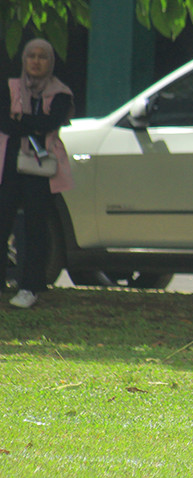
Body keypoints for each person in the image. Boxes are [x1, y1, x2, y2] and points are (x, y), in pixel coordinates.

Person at [0, 38, 74, 308]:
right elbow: (6, 123)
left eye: (43, 56)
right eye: (31, 55)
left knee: (35, 227)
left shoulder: (61, 93)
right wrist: (31, 125)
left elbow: (50, 122)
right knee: (2, 222)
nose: (36, 61)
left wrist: (23, 121)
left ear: (50, 62)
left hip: (40, 168)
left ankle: (30, 286)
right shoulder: (10, 87)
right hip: (7, 166)